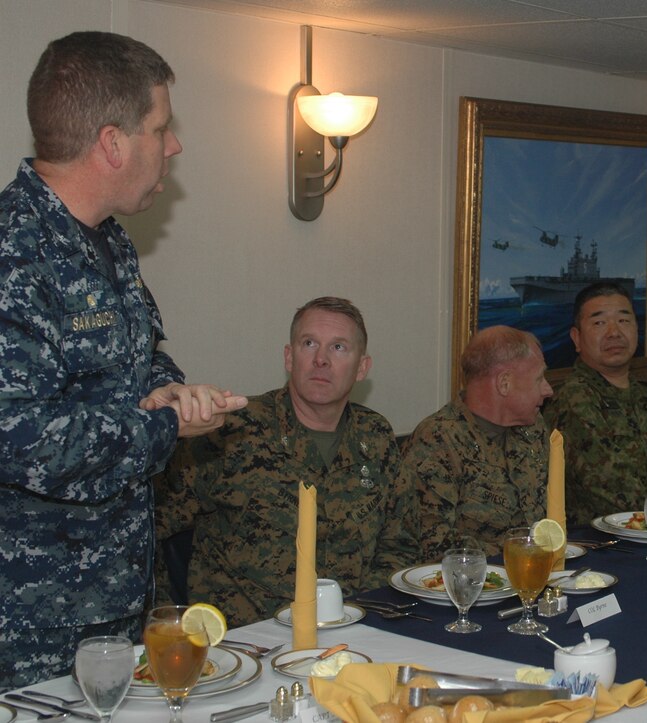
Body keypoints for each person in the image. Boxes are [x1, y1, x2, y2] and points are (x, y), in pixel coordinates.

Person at [0, 32, 246, 688]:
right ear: (111, 142)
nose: (174, 145)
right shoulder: (14, 254)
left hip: (117, 600)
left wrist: (172, 390)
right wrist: (166, 429)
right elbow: (24, 438)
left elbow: (139, 359)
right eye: (160, 128)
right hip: (30, 627)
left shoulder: (110, 242)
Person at [155, 297, 418, 626]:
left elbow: (399, 542)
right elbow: (149, 527)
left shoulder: (376, 436)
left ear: (362, 368)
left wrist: (368, 611)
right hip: (248, 641)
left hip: (354, 631)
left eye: (338, 348)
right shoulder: (233, 431)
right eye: (309, 344)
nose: (321, 359)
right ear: (289, 357)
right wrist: (167, 624)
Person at [543, 282, 647, 525]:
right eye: (599, 323)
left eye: (624, 321)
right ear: (577, 338)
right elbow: (613, 494)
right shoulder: (575, 401)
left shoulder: (646, 397)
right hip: (607, 545)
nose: (614, 332)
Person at [401, 326, 552, 560]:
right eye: (539, 378)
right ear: (504, 384)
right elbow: (432, 543)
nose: (548, 390)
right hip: (471, 585)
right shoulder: (439, 440)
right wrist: (521, 551)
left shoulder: (533, 428)